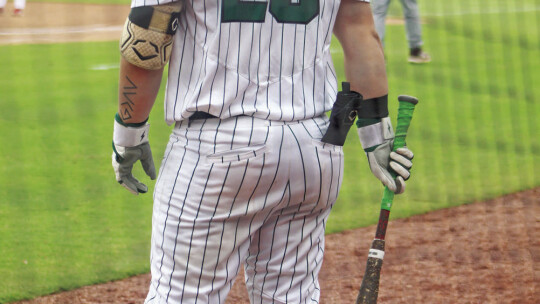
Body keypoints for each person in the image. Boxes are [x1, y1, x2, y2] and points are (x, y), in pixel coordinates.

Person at [111, 0, 414, 303]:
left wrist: (129, 133)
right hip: (313, 149)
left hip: (218, 151)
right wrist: (376, 134)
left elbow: (148, 32)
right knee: (291, 295)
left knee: (180, 296)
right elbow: (358, 28)